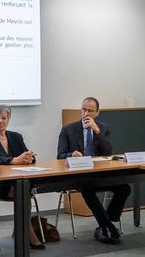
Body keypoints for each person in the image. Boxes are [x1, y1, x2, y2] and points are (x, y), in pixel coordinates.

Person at [56, 97, 131, 245]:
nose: (86, 113)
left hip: (99, 174)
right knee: (87, 189)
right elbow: (60, 155)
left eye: (90, 110)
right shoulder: (68, 129)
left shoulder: (103, 128)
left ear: (97, 113)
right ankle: (108, 226)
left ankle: (105, 223)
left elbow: (108, 151)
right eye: (84, 109)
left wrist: (97, 131)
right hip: (77, 176)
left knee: (124, 188)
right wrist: (72, 155)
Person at [0, 104, 45, 250]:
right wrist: (14, 160)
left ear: (8, 119)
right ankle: (29, 235)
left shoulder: (16, 136)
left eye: (3, 118)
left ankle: (23, 231)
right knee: (23, 189)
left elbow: (28, 156)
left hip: (16, 183)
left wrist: (28, 158)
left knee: (23, 187)